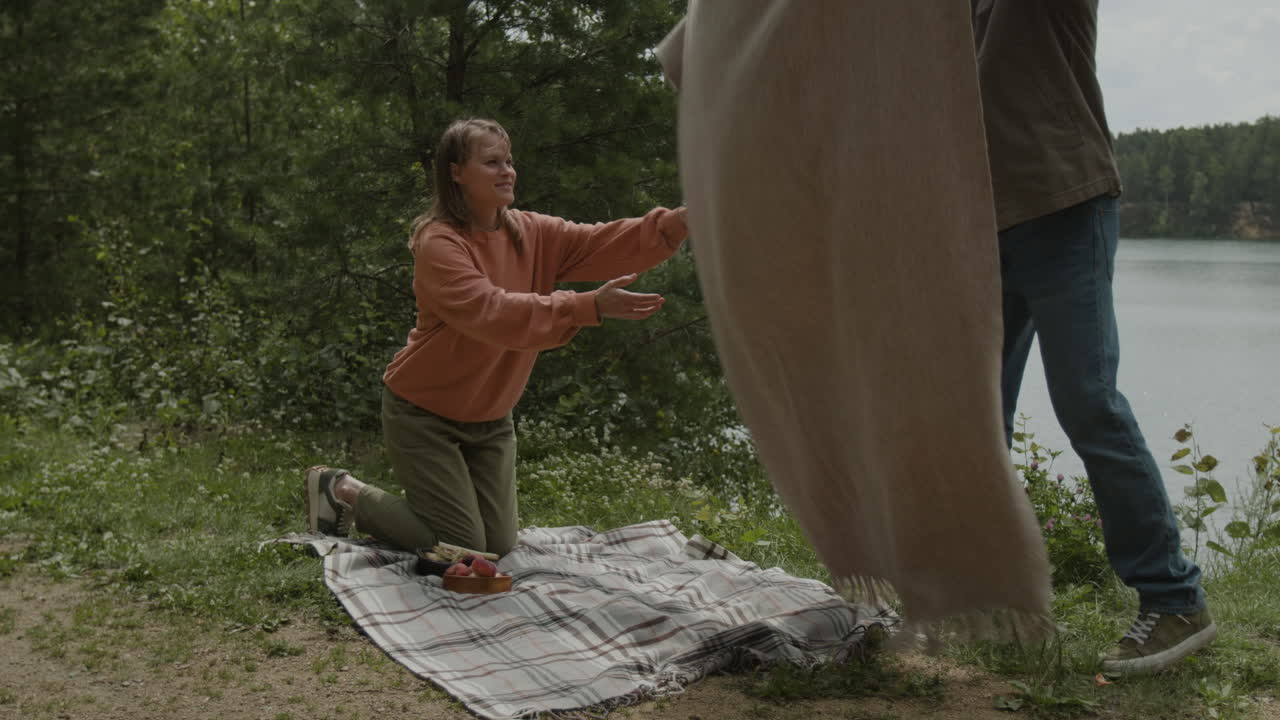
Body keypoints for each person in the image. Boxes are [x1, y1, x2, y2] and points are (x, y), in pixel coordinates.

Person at [304, 117, 688, 556]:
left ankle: (417, 514)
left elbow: (604, 242)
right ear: (455, 171)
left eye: (509, 161)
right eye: (491, 162)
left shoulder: (532, 232)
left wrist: (677, 223)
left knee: (500, 548)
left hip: (491, 419)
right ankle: (343, 490)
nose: (507, 171)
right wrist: (587, 307)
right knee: (463, 547)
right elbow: (492, 312)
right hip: (424, 415)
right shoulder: (439, 243)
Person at [972, 0, 1216, 674]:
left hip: (1064, 206)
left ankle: (1174, 598)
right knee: (974, 420)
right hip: (984, 226)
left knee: (1088, 402)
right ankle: (993, 595)